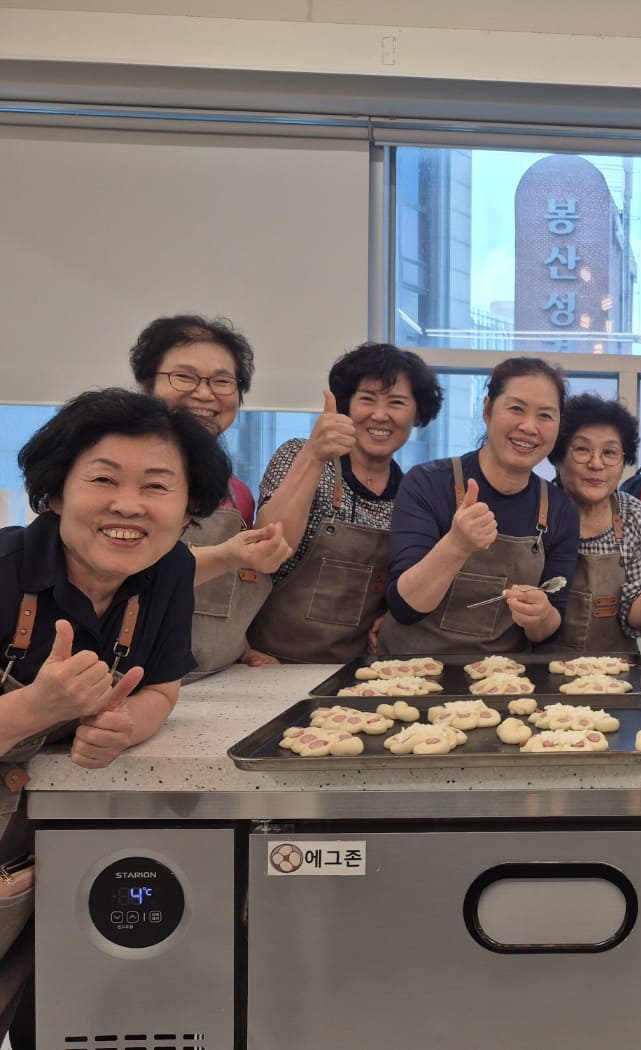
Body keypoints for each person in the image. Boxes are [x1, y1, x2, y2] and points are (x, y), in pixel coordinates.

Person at [0, 389, 231, 1043]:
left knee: (48, 1016)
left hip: (47, 849)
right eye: (103, 480)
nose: (130, 506)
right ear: (55, 492)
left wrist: (131, 723)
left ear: (186, 508)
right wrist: (33, 707)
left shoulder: (170, 570)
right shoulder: (5, 571)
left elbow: (162, 686)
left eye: (156, 486)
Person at [246, 343, 443, 663]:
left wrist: (390, 617)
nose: (380, 415)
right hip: (268, 662)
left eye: (396, 402)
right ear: (345, 405)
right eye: (367, 399)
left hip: (352, 670)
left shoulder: (413, 495)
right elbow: (265, 548)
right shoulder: (298, 455)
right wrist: (314, 455)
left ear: (417, 413)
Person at [380, 358, 580, 653]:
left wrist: (541, 615)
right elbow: (404, 607)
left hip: (502, 675)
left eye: (545, 416)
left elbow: (547, 632)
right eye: (516, 409)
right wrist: (456, 545)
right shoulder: (427, 483)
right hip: (408, 671)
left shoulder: (560, 509)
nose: (529, 426)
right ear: (487, 410)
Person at [129, 315, 291, 677]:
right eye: (184, 377)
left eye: (221, 381)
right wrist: (226, 554)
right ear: (146, 383)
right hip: (132, 683)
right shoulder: (125, 477)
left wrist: (237, 645)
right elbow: (119, 577)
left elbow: (223, 591)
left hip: (211, 681)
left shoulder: (237, 493)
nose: (204, 394)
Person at [543, 394, 641, 653]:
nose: (596, 464)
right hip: (536, 670)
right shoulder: (535, 509)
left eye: (609, 452)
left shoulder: (639, 520)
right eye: (582, 449)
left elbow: (637, 618)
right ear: (557, 456)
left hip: (614, 670)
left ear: (624, 461)